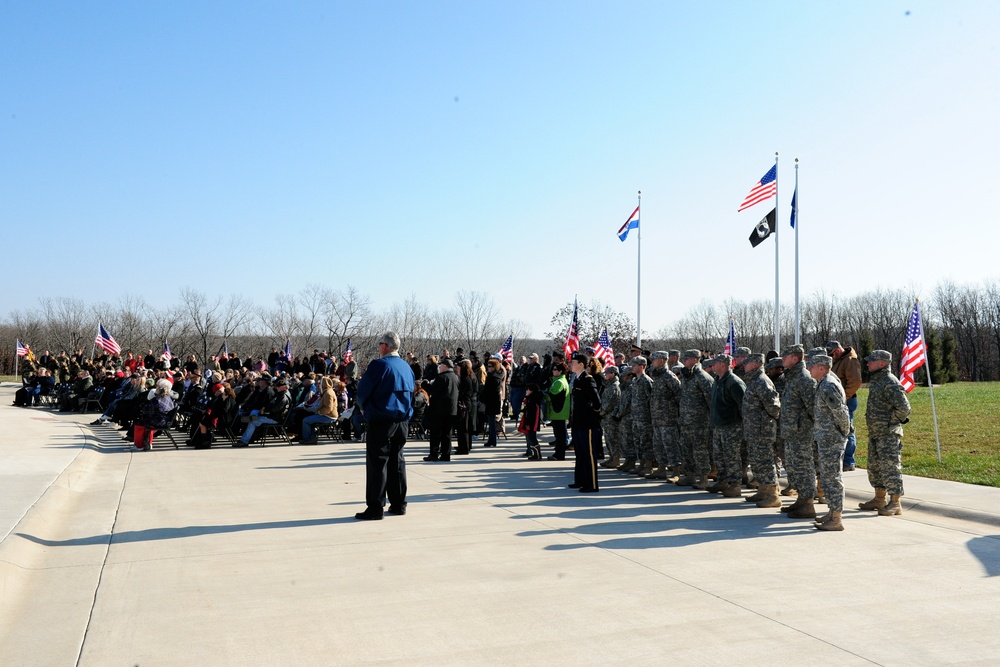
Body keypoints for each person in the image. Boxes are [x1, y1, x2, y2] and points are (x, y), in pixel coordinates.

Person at [354, 332, 414, 521]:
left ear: (385, 346)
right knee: (397, 462)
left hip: (381, 419)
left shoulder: (379, 365)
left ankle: (376, 507)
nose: (379, 347)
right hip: (402, 420)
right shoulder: (406, 366)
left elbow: (363, 391)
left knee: (377, 463)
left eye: (380, 344)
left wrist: (363, 408)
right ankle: (398, 503)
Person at [860, 350, 912, 516]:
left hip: (888, 433)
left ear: (882, 363)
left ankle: (895, 502)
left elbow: (905, 408)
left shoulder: (889, 381)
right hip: (876, 433)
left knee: (890, 467)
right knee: (874, 467)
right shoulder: (877, 380)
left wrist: (891, 421)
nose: (868, 363)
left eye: (871, 361)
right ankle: (879, 498)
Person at [808, 354, 852, 531]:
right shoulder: (824, 382)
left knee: (832, 477)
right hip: (826, 437)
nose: (809, 369)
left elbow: (841, 413)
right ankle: (832, 512)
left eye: (812, 366)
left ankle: (836, 518)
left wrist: (842, 433)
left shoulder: (828, 385)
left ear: (821, 368)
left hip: (832, 439)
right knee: (827, 476)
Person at [778, 345, 818, 519]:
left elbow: (813, 408)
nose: (782, 359)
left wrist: (803, 426)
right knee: (795, 468)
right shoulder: (793, 377)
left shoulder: (804, 378)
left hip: (802, 433)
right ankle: (802, 500)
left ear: (795, 358)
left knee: (804, 468)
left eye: (785, 356)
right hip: (792, 432)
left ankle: (808, 504)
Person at [741, 353, 782, 508]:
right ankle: (763, 490)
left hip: (762, 430)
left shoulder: (762, 381)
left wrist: (764, 422)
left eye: (747, 363)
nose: (744, 365)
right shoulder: (754, 381)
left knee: (765, 461)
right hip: (753, 429)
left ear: (756, 364)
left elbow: (774, 407)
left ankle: (772, 494)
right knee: (757, 461)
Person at [708, 354, 746, 498]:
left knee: (731, 456)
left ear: (723, 365)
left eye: (715, 364)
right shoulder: (718, 380)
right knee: (719, 456)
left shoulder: (733, 382)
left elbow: (743, 405)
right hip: (719, 426)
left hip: (732, 426)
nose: (712, 366)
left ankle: (735, 485)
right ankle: (722, 481)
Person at [565, 353, 603, 492]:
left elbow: (597, 402)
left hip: (588, 424)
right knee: (580, 453)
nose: (571, 364)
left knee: (589, 454)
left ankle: (592, 484)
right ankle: (580, 480)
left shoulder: (588, 380)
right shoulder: (577, 379)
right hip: (578, 423)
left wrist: (590, 414)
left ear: (581, 364)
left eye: (573, 362)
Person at [678, 350, 714, 490]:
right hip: (686, 421)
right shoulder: (686, 377)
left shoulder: (702, 377)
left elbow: (711, 400)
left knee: (700, 450)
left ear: (695, 359)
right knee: (686, 450)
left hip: (700, 422)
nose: (684, 361)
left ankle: (704, 478)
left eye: (686, 359)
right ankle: (689, 475)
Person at [827, 340, 863, 471]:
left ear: (837, 351)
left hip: (847, 400)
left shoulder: (849, 360)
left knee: (848, 430)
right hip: (839, 400)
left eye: (832, 354)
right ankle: (843, 460)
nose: (831, 357)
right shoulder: (840, 360)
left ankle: (849, 461)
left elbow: (855, 381)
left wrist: (844, 396)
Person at [649, 351, 682, 481]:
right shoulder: (657, 376)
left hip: (668, 418)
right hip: (657, 418)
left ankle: (676, 472)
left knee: (671, 444)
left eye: (654, 360)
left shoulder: (669, 376)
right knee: (658, 445)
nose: (652, 362)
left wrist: (673, 411)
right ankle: (661, 469)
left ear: (662, 361)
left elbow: (679, 395)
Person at [425, 358, 459, 461]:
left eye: (441, 366)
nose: (439, 368)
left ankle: (434, 454)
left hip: (439, 410)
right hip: (452, 409)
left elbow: (433, 391)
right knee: (447, 433)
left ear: (445, 366)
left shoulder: (442, 377)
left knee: (436, 433)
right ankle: (446, 454)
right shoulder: (456, 377)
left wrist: (425, 385)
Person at [133, 379, 176, 451]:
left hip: (159, 421)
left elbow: (146, 410)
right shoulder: (168, 397)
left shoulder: (157, 399)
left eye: (157, 387)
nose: (156, 388)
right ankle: (148, 442)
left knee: (139, 423)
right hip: (164, 419)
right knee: (143, 419)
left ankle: (139, 445)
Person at [299, 376, 339, 444]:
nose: (319, 384)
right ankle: (311, 437)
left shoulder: (328, 393)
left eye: (321, 383)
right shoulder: (328, 391)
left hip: (329, 416)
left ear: (324, 384)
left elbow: (328, 408)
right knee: (309, 419)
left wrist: (319, 412)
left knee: (306, 420)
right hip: (327, 415)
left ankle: (308, 439)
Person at [545, 362, 570, 460]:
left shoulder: (559, 382)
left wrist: (544, 395)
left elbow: (552, 396)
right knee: (560, 435)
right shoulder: (559, 380)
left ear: (560, 371)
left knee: (560, 435)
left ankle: (559, 454)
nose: (553, 371)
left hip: (558, 411)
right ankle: (559, 453)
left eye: (555, 369)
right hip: (559, 412)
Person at [599, 366, 622, 468]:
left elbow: (610, 403)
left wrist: (601, 412)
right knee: (608, 438)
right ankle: (611, 457)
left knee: (613, 439)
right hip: (606, 417)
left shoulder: (614, 386)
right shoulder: (609, 385)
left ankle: (616, 459)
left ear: (613, 374)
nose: (605, 375)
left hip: (611, 417)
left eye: (607, 373)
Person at [483, 357, 505, 447]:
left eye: (490, 366)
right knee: (490, 421)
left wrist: (485, 396)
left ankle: (492, 440)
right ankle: (491, 440)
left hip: (492, 401)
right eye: (488, 366)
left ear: (495, 367)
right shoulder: (492, 376)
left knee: (491, 422)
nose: (488, 368)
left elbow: (493, 391)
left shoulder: (494, 377)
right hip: (492, 401)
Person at [518, 383, 545, 460]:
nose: (526, 391)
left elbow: (532, 413)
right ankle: (535, 453)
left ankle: (537, 454)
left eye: (528, 389)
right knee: (530, 437)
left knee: (532, 438)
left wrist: (528, 423)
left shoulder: (533, 400)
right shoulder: (530, 399)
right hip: (530, 422)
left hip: (532, 423)